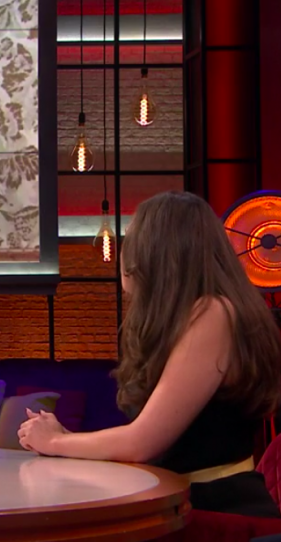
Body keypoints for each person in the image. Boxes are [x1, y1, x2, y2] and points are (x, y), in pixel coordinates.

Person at [18, 191, 281, 517]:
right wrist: (65, 439)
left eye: (133, 238)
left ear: (156, 252)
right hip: (178, 505)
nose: (126, 252)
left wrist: (55, 442)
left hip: (216, 514)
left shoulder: (213, 313)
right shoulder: (186, 318)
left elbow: (142, 443)